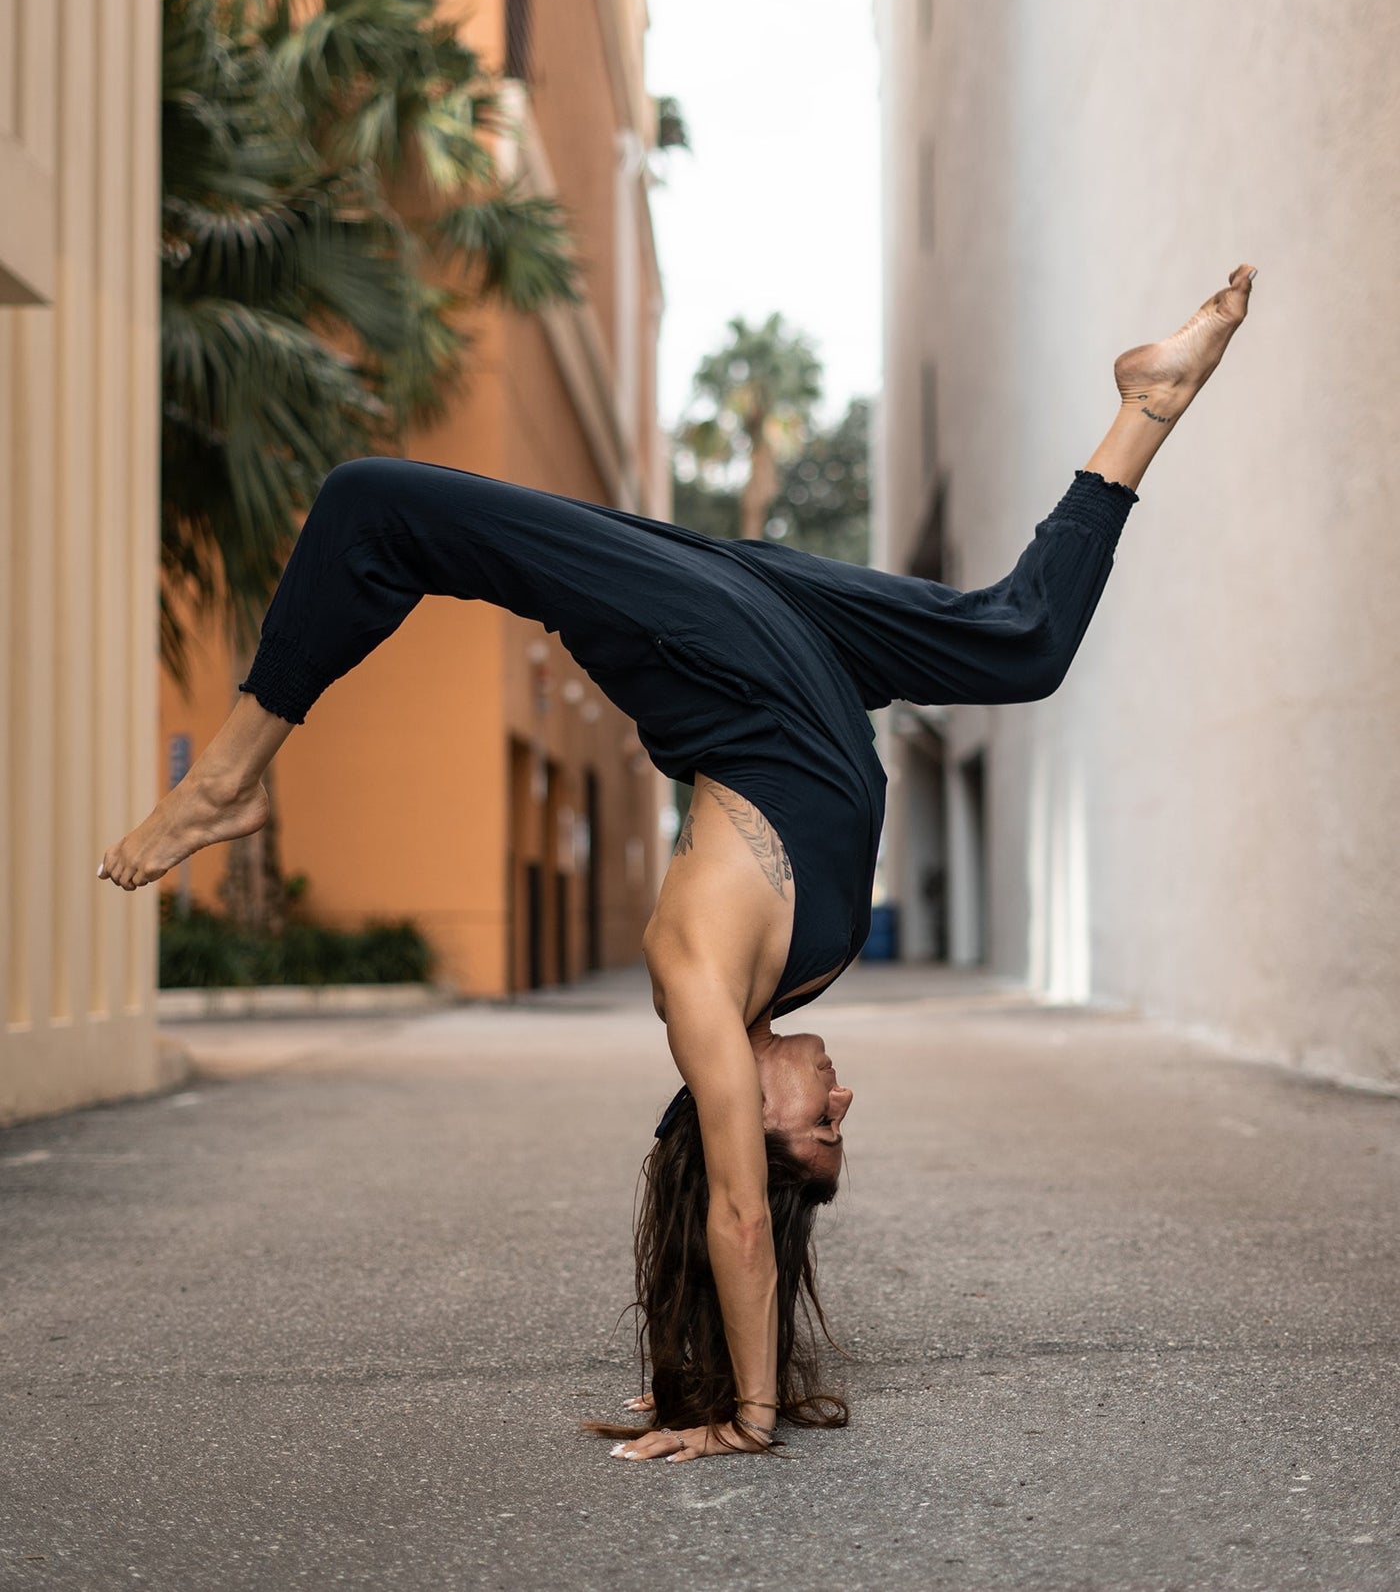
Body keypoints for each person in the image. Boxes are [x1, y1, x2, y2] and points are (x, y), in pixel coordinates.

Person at [100, 264, 1256, 1463]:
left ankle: (227, 778)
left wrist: (748, 1415)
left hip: (709, 650)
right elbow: (752, 1187)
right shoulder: (792, 983)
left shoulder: (698, 986)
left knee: (372, 503)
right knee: (1017, 644)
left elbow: (740, 1219)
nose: (842, 1102)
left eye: (821, 1128)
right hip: (789, 638)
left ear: (745, 1114)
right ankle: (1151, 399)